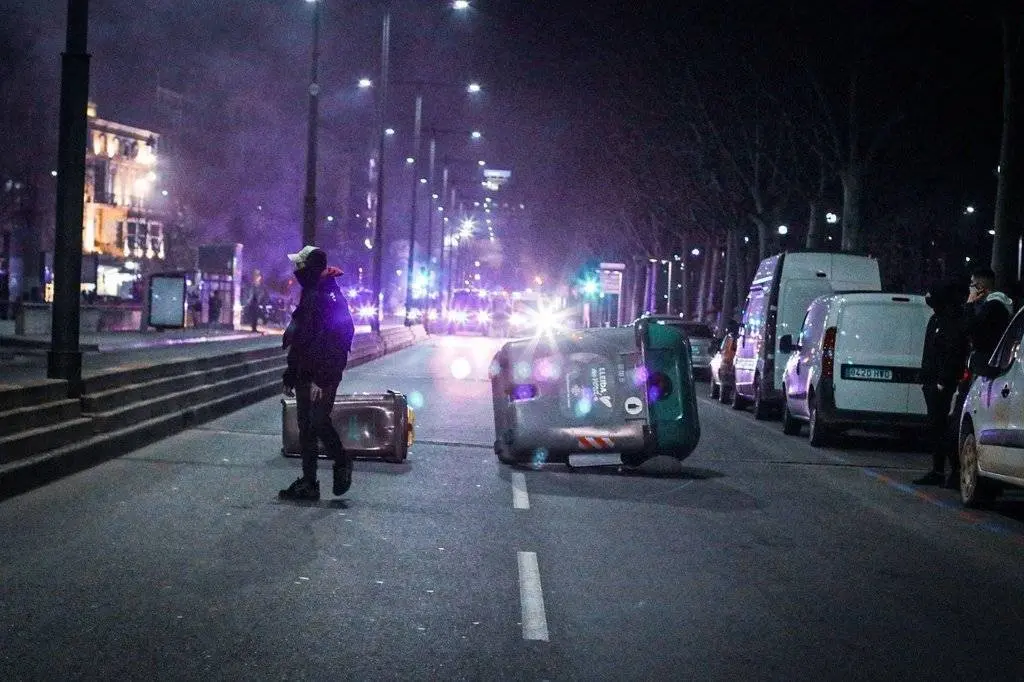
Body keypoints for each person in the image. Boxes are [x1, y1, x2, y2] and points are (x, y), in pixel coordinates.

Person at [279, 246, 356, 501]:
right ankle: (309, 482)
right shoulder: (311, 293)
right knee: (306, 428)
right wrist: (292, 372)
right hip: (305, 371)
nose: (297, 271)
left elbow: (340, 336)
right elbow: (301, 337)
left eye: (301, 266)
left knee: (317, 422)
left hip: (322, 374)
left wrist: (322, 379)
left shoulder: (329, 295)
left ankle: (342, 460)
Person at [913, 281, 969, 486]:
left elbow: (953, 353)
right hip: (932, 381)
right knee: (935, 429)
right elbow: (930, 352)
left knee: (945, 429)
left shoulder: (951, 321)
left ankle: (953, 470)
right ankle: (938, 470)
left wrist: (943, 381)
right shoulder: (936, 319)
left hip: (943, 384)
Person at [964, 267, 1013, 371]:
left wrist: (969, 304)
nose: (970, 287)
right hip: (991, 361)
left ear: (980, 287)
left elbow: (971, 328)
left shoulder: (992, 306)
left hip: (987, 363)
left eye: (972, 283)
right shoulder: (996, 304)